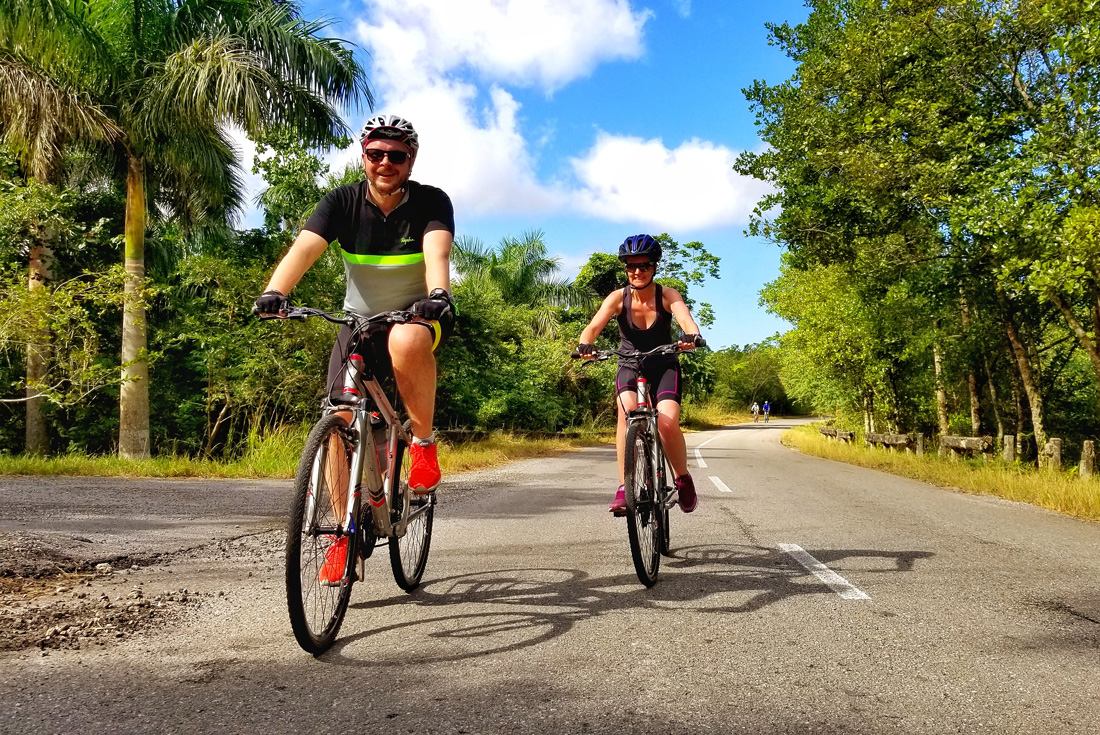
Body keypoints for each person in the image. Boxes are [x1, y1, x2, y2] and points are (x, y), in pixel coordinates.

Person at [253, 115, 454, 584]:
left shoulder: (431, 201)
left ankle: (423, 445)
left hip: (416, 317)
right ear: (363, 156)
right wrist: (275, 291)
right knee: (338, 420)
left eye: (396, 155)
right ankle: (344, 538)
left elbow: (437, 254)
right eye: (376, 154)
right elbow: (303, 250)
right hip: (358, 324)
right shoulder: (341, 202)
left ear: (411, 160)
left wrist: (438, 295)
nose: (385, 163)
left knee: (405, 338)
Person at [577, 234, 704, 514]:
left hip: (664, 365)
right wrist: (585, 344)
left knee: (666, 424)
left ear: (654, 267)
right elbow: (593, 327)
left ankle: (683, 478)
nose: (637, 271)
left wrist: (691, 336)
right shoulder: (617, 298)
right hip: (629, 365)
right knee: (626, 415)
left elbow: (685, 318)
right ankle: (625, 486)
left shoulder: (667, 295)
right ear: (625, 268)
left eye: (644, 265)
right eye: (631, 266)